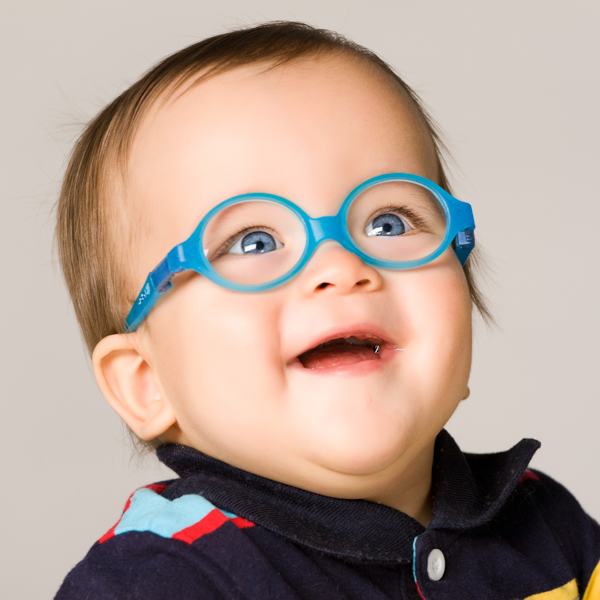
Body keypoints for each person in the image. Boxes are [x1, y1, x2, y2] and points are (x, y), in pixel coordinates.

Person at [54, 21, 600, 600]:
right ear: (146, 383)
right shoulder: (161, 580)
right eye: (254, 242)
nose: (341, 265)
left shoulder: (545, 523)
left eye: (388, 222)